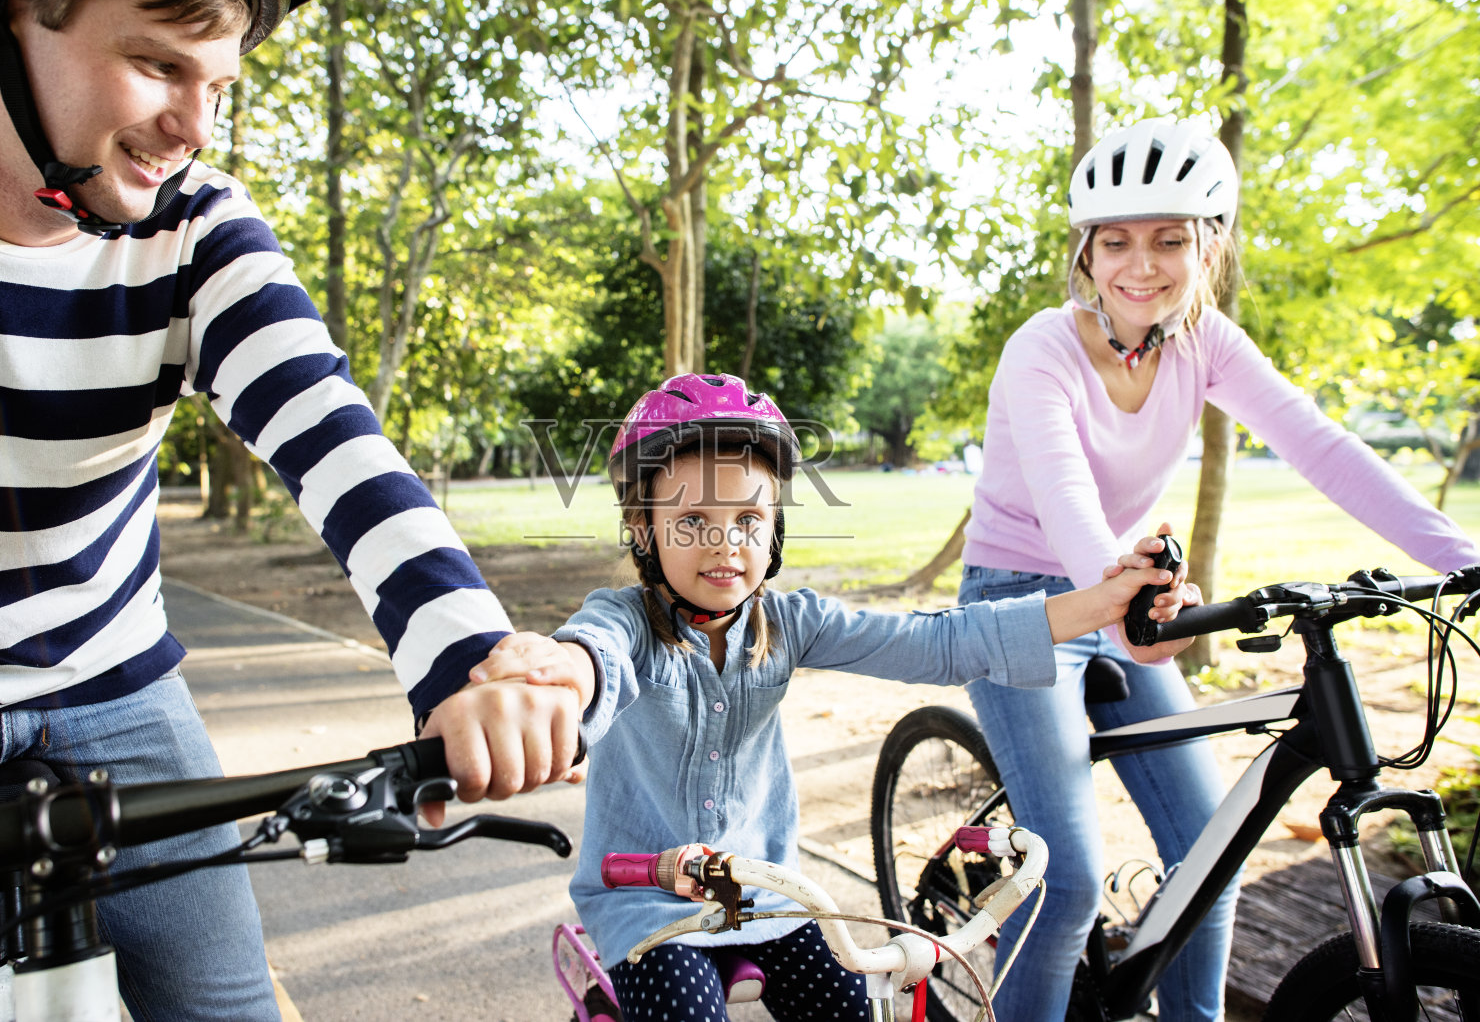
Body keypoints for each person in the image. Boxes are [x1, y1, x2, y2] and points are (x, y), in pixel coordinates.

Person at [0, 0, 577, 1019]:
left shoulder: (194, 224)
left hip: (105, 677)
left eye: (221, 86)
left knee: (226, 1009)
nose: (193, 127)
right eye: (159, 66)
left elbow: (336, 442)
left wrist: (471, 664)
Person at [958, 118, 1480, 1021]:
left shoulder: (1206, 340)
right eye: (1116, 241)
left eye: (1171, 238)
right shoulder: (1041, 346)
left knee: (1215, 845)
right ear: (1085, 254)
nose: (1142, 264)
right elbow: (1064, 497)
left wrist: (1466, 560)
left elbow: (1322, 446)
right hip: (1022, 606)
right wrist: (1129, 600)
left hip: (1130, 599)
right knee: (1071, 880)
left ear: (1211, 246)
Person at [480, 371, 1196, 1022]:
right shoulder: (626, 621)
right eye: (692, 521)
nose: (725, 544)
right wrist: (561, 684)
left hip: (769, 901)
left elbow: (945, 641)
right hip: (649, 907)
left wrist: (1104, 602)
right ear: (643, 529)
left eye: (749, 521)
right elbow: (592, 656)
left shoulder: (789, 622)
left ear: (775, 529)